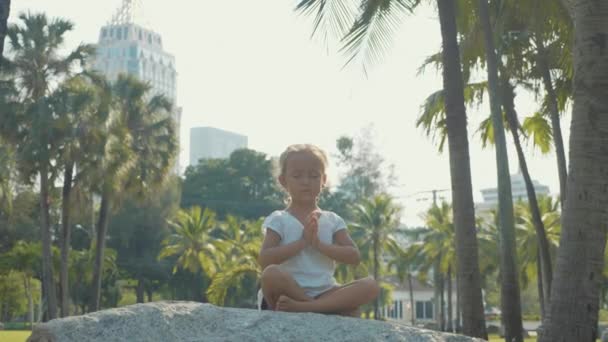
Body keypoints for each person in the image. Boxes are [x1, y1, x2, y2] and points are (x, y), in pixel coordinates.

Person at [258, 143, 380, 316]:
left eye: (314, 176)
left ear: (323, 181)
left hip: (325, 292)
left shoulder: (332, 220)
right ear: (283, 181)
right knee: (271, 274)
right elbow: (265, 259)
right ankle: (322, 308)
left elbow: (354, 256)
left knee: (370, 286)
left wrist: (319, 245)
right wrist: (303, 242)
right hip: (287, 291)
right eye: (297, 176)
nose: (306, 182)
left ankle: (307, 307)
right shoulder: (278, 219)